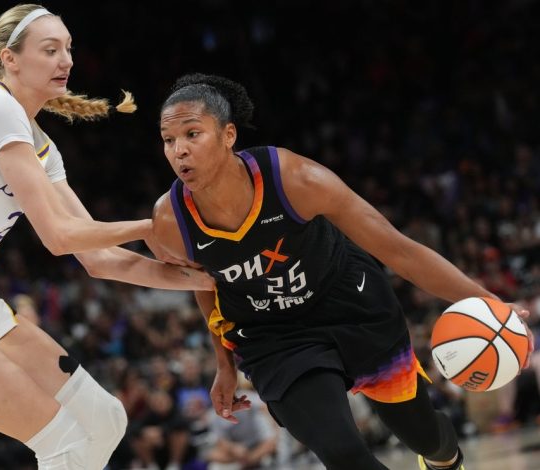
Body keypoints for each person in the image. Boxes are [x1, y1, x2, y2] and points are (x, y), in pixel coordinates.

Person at [0, 5, 213, 470]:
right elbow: (59, 236)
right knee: (63, 442)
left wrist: (210, 280)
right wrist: (152, 226)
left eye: (68, 49)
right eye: (50, 50)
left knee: (106, 420)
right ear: (9, 59)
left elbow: (100, 259)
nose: (65, 60)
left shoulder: (44, 148)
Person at [149, 73, 534, 470]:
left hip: (351, 302)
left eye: (192, 134)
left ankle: (445, 461)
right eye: (168, 140)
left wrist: (487, 300)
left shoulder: (295, 180)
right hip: (273, 336)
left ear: (229, 135)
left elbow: (399, 250)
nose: (180, 150)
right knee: (343, 453)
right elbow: (203, 284)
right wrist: (224, 363)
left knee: (427, 437)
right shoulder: (170, 221)